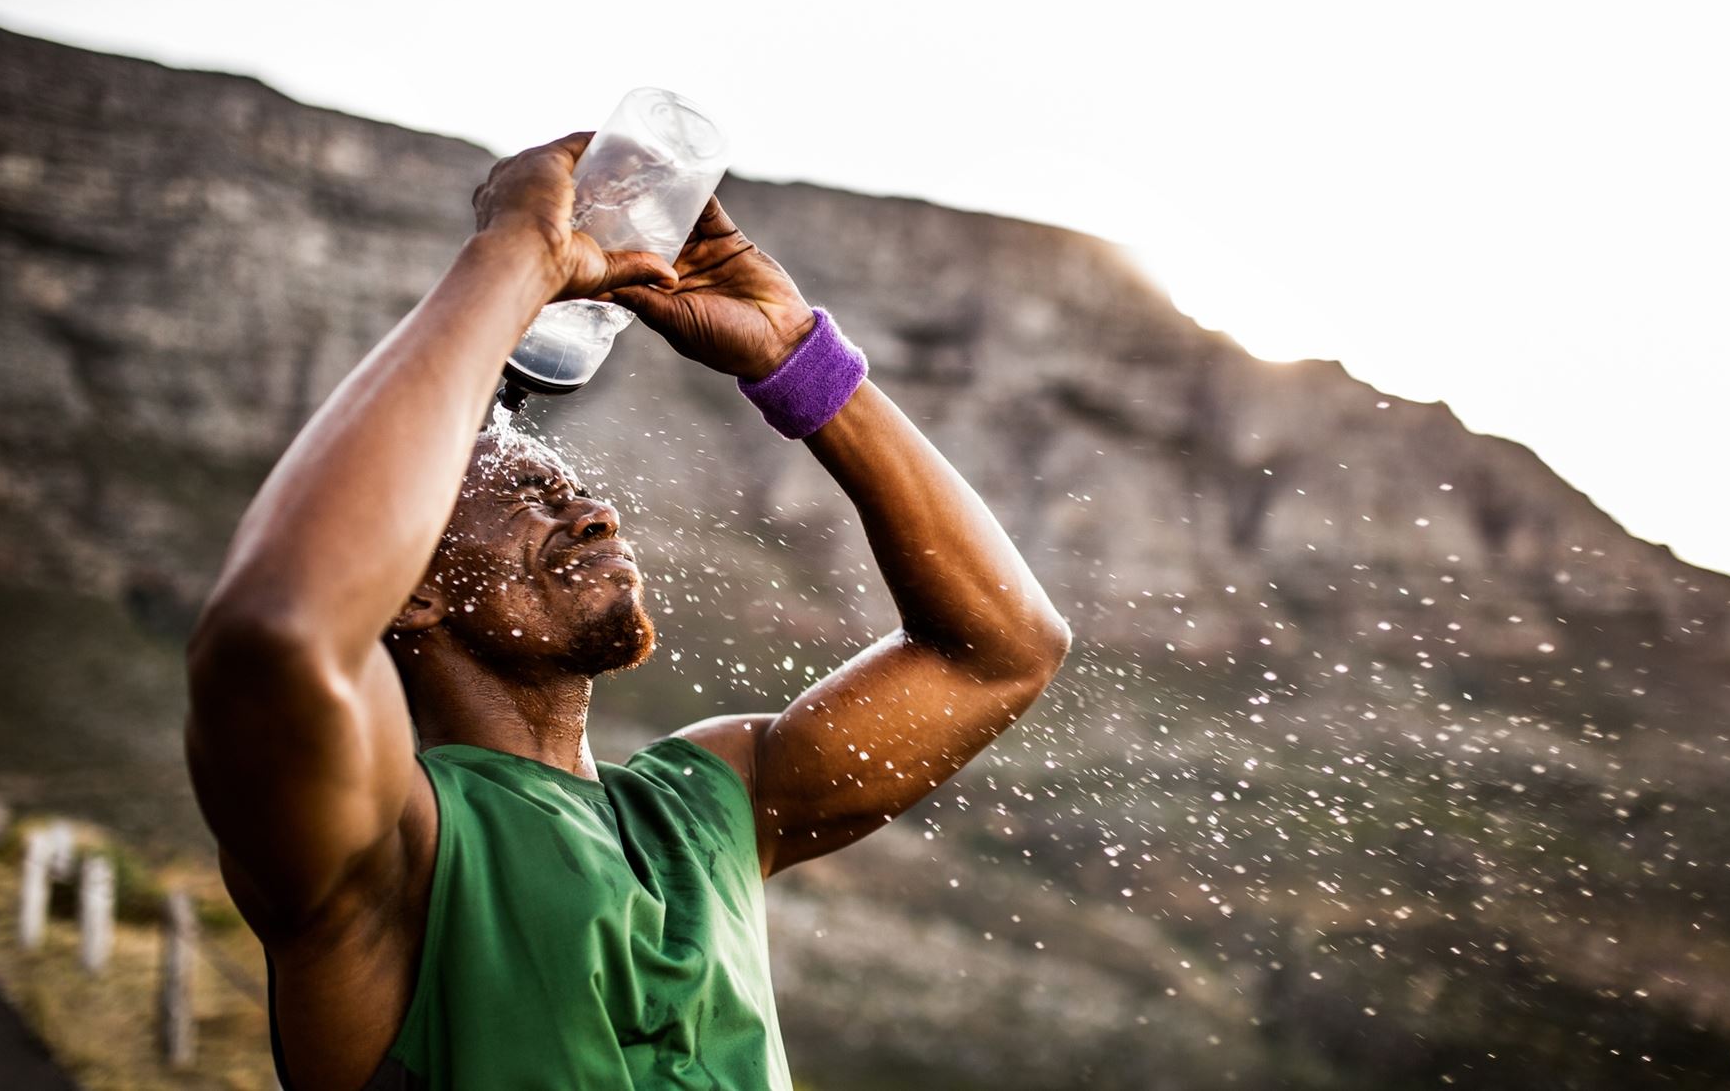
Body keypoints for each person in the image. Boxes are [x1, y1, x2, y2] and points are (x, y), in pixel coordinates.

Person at [184, 132, 1072, 1090]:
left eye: (575, 489)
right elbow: (275, 635)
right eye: (528, 497)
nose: (595, 511)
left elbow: (1001, 650)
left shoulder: (710, 803)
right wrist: (515, 256)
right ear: (412, 588)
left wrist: (795, 360)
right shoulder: (384, 842)